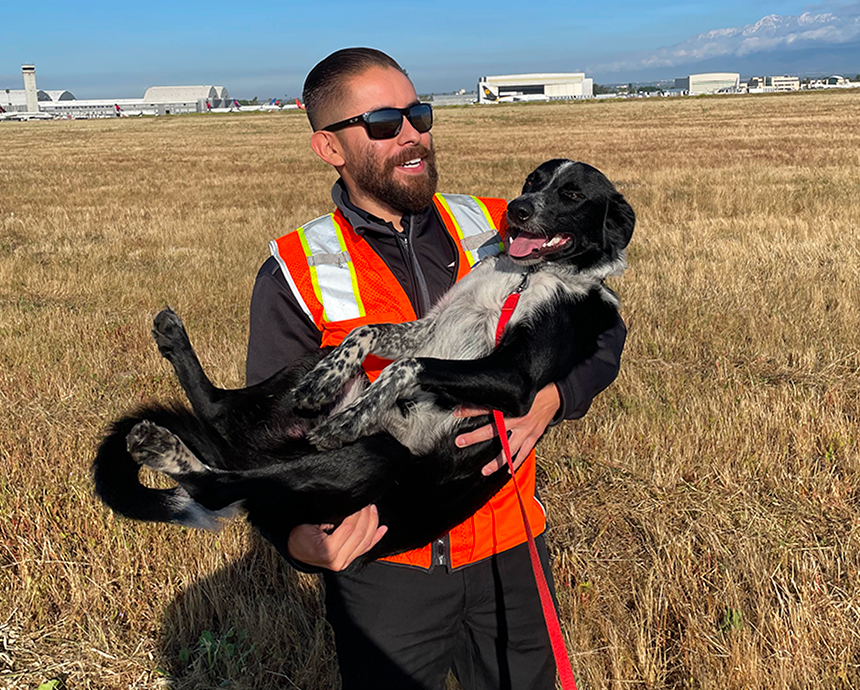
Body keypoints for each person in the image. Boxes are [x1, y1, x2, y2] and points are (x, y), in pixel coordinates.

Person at [245, 47, 627, 690]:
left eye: (419, 113)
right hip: (387, 563)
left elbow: (605, 328)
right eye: (385, 123)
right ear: (329, 148)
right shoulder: (298, 269)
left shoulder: (495, 222)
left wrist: (554, 397)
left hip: (508, 543)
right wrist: (294, 536)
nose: (414, 133)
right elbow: (269, 433)